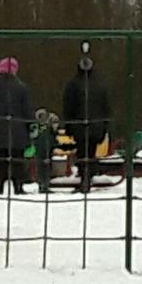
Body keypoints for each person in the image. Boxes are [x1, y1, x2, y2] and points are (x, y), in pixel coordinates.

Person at [0, 57, 34, 195]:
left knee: (0, 160)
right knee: (17, 160)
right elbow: (27, 110)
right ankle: (18, 187)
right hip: (18, 130)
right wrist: (30, 127)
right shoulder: (22, 87)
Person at [60, 53, 112, 191]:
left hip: (80, 126)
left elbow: (68, 107)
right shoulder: (100, 84)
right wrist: (104, 126)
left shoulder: (73, 84)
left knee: (83, 153)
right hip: (96, 126)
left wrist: (69, 126)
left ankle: (85, 179)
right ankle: (88, 178)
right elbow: (106, 107)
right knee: (91, 152)